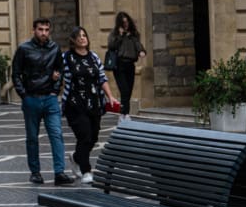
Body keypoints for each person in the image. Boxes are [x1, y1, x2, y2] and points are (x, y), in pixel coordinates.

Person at [12, 17, 73, 186]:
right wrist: (23, 95)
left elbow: (60, 69)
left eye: (47, 30)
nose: (44, 33)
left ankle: (59, 172)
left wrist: (55, 89)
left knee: (56, 134)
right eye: (40, 29)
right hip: (31, 98)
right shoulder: (24, 49)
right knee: (32, 137)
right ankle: (35, 172)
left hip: (50, 99)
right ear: (34, 30)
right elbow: (15, 73)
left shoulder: (55, 48)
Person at [62, 26, 118, 184]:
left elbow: (101, 78)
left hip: (94, 103)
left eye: (84, 35)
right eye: (78, 36)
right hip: (74, 104)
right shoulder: (66, 57)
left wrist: (110, 96)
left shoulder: (93, 57)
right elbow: (57, 74)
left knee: (93, 137)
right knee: (84, 135)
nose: (82, 38)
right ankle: (86, 170)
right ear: (73, 40)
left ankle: (76, 157)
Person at [107, 11, 146, 121]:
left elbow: (138, 45)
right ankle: (124, 114)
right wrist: (119, 36)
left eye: (127, 21)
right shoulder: (115, 34)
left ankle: (124, 113)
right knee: (124, 90)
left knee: (128, 91)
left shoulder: (133, 34)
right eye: (123, 22)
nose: (126, 24)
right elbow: (111, 46)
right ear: (119, 23)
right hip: (119, 65)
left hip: (130, 65)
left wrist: (141, 51)